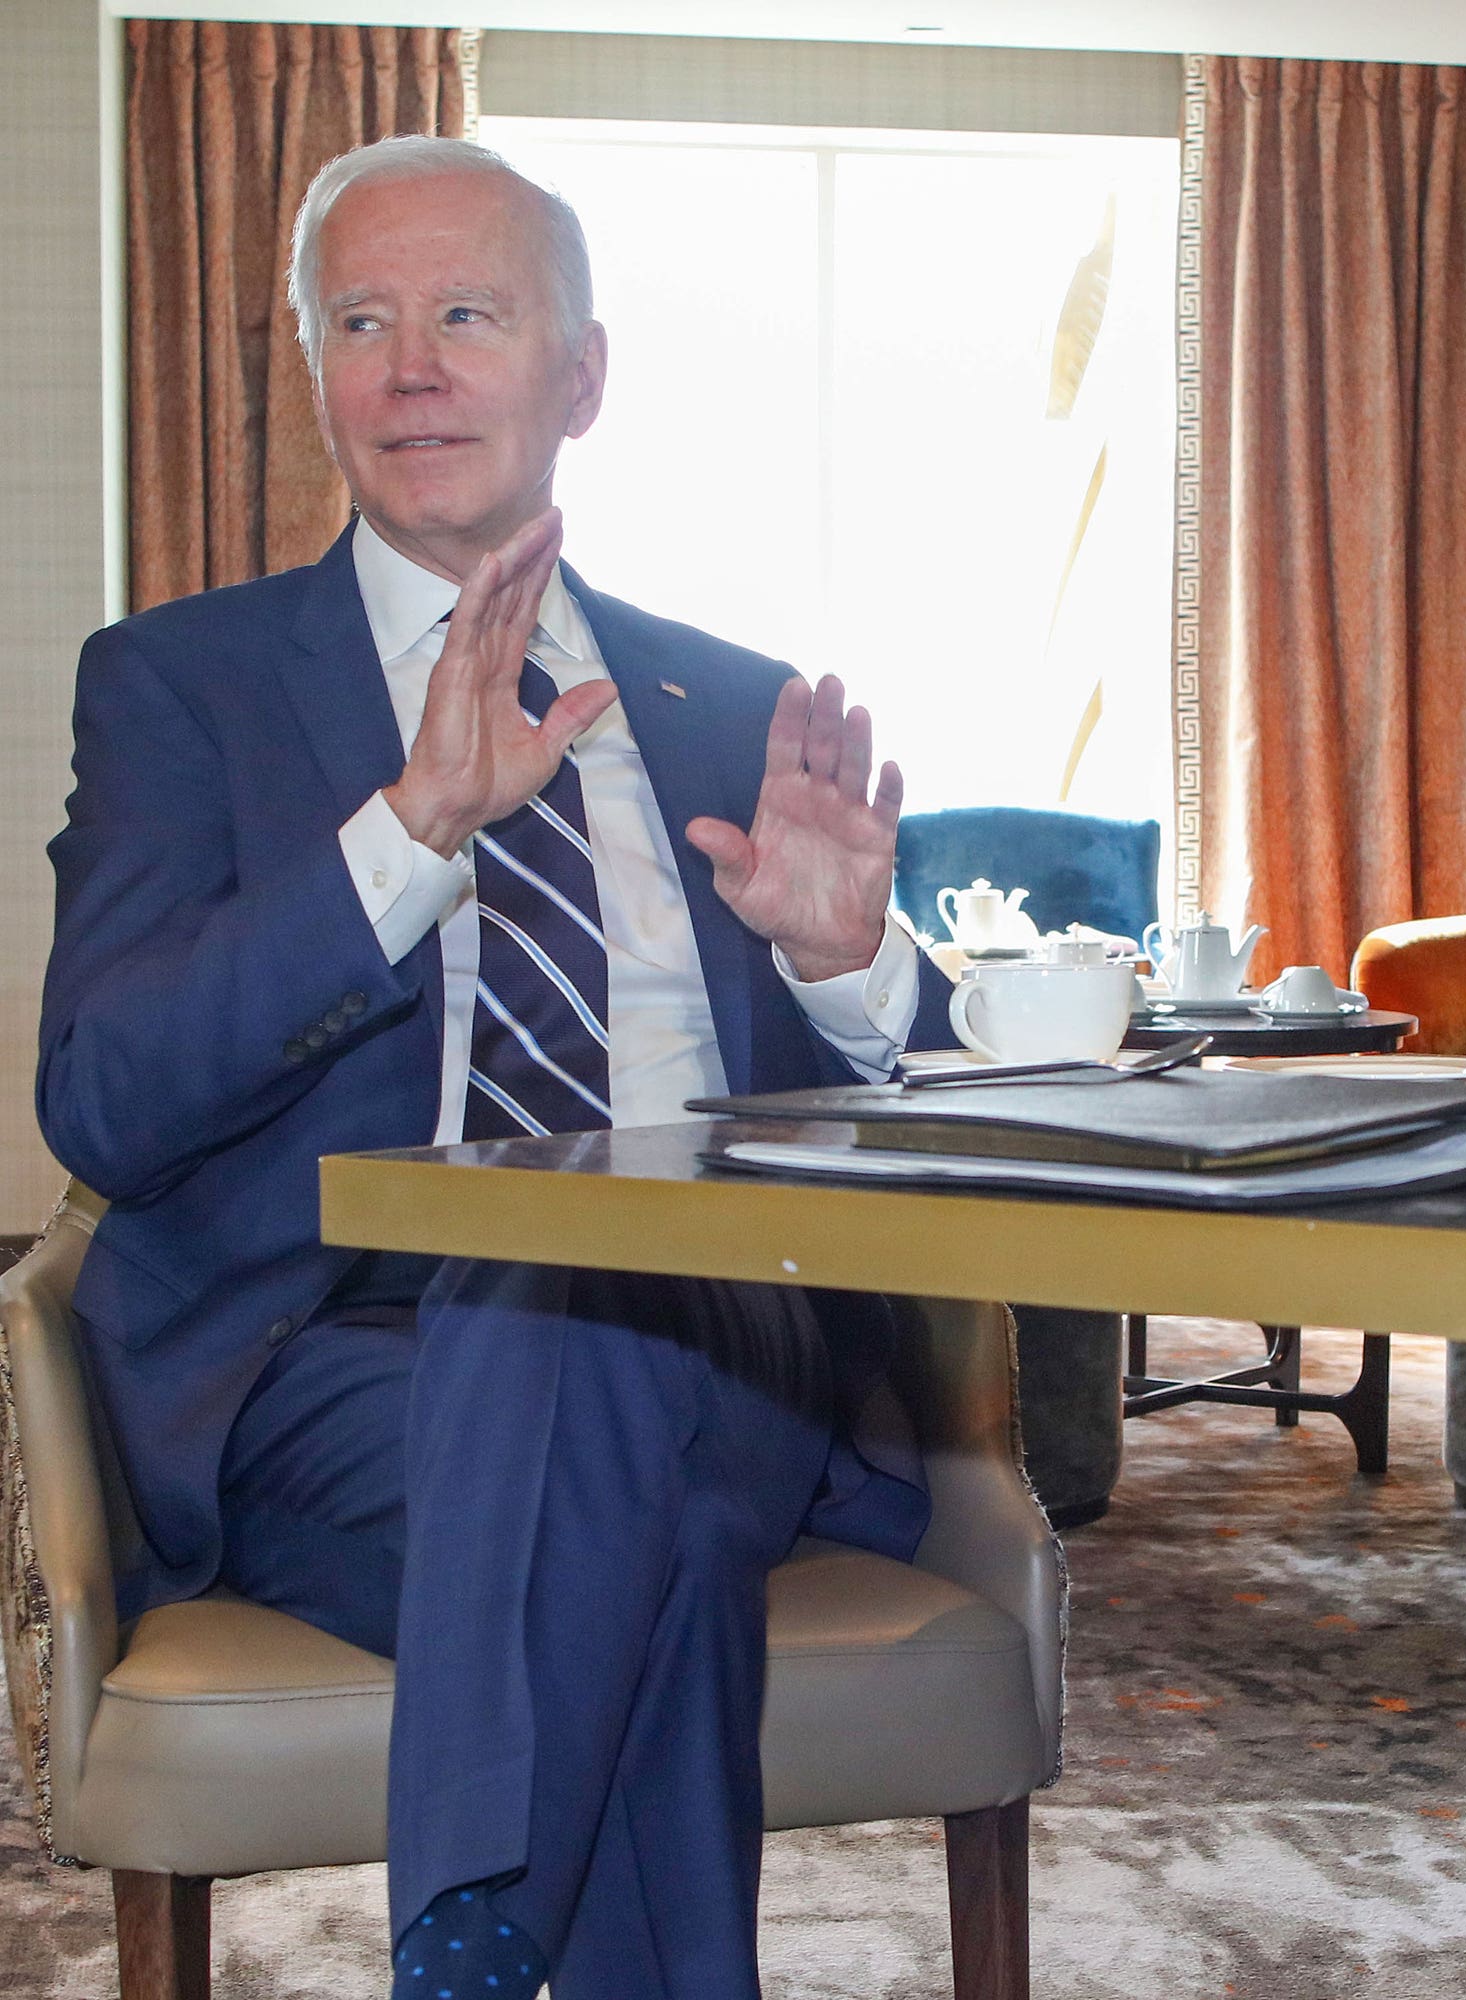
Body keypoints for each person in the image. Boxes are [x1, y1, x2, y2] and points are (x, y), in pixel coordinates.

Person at [37, 136, 958, 1999]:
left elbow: (952, 1111)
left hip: (724, 1343)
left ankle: (475, 1941)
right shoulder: (180, 686)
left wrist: (850, 963)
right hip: (333, 1377)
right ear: (314, 374)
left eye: (469, 312)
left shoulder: (733, 701)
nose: (412, 367)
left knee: (584, 1307)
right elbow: (106, 1104)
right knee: (660, 1541)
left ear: (583, 375)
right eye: (361, 322)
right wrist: (403, 838)